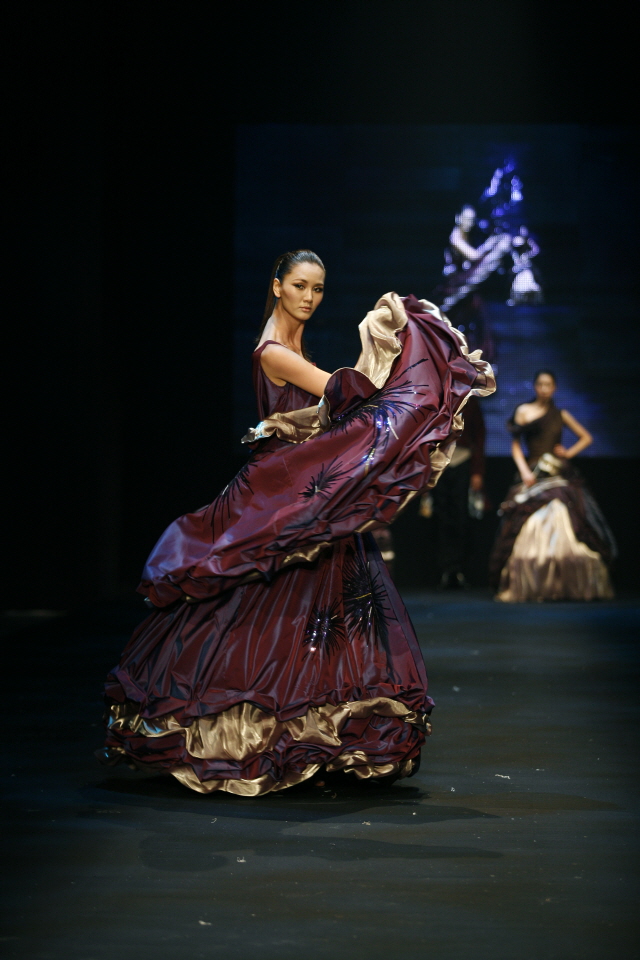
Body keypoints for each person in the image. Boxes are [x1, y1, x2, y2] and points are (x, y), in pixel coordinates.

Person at [99, 250, 495, 796]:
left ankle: (322, 735)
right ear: (277, 286)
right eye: (300, 286)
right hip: (281, 494)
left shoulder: (292, 347)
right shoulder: (275, 352)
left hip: (301, 489)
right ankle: (253, 735)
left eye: (318, 288)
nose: (309, 297)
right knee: (268, 614)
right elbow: (347, 396)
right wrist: (390, 342)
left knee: (323, 613)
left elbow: (334, 408)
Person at [490, 370, 616, 602]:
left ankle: (565, 583)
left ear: (554, 388)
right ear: (535, 386)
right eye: (540, 384)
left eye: (548, 384)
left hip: (557, 473)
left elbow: (586, 437)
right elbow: (515, 446)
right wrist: (524, 471)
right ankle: (532, 583)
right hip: (532, 473)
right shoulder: (524, 411)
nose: (544, 388)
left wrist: (568, 453)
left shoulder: (560, 414)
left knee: (567, 512)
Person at [432, 395, 486, 589]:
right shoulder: (437, 398)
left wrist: (477, 471)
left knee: (461, 517)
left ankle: (459, 569)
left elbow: (479, 436)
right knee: (441, 517)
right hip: (439, 463)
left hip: (463, 460)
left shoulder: (471, 402)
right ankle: (444, 570)